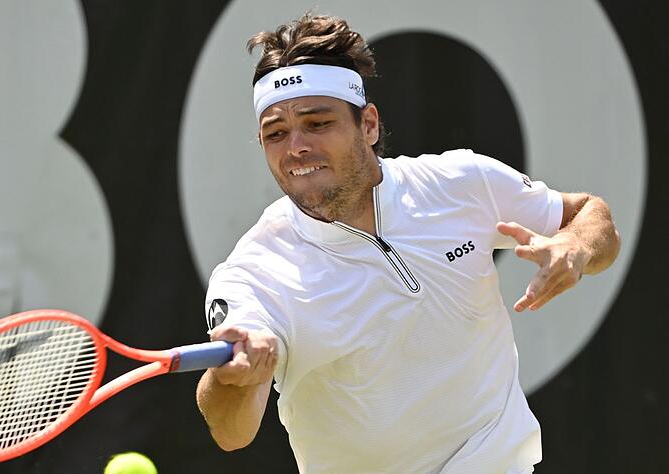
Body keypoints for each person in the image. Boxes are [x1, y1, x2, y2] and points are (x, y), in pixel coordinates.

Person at [195, 13, 620, 474]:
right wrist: (234, 379)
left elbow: (589, 217)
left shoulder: (462, 182)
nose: (295, 147)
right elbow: (231, 432)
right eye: (275, 133)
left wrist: (574, 248)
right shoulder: (251, 274)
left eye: (317, 123)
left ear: (369, 125)